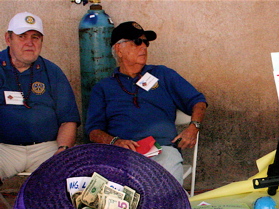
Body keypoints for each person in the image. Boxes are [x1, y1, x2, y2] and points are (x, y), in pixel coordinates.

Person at [85, 21, 207, 185]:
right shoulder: (103, 88)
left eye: (146, 42)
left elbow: (198, 101)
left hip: (162, 150)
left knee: (166, 194)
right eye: (137, 42)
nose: (144, 47)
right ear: (118, 49)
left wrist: (194, 127)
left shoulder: (162, 74)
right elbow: (94, 131)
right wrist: (115, 142)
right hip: (122, 155)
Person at [0, 12, 80, 181]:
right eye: (22, 36)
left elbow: (68, 120)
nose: (29, 43)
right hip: (4, 149)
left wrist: (63, 150)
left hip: (45, 148)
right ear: (8, 39)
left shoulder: (52, 72)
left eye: (35, 37)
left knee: (73, 178)